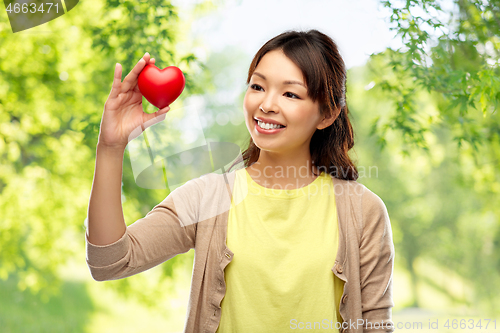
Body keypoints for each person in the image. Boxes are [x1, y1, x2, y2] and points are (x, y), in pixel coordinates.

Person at [85, 29, 395, 333]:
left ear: (327, 114)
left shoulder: (363, 211)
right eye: (258, 87)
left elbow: (377, 327)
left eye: (290, 93)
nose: (267, 104)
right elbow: (109, 262)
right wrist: (110, 148)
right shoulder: (207, 197)